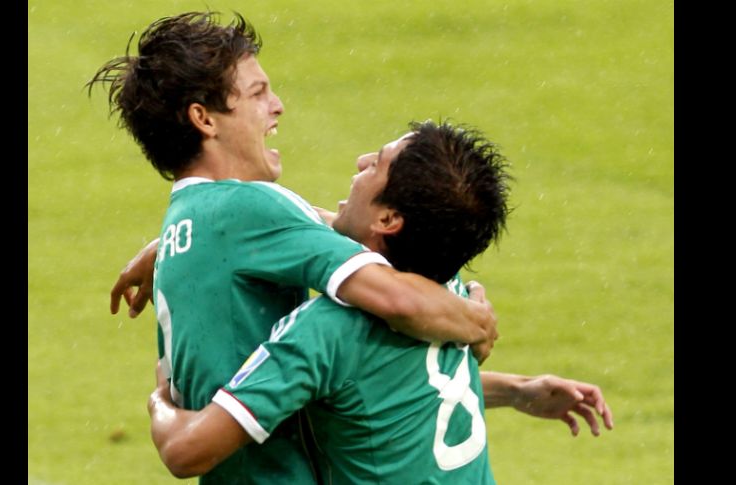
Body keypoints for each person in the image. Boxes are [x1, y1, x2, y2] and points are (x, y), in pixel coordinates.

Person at [88, 11, 498, 484]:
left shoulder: (195, 221)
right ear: (204, 119)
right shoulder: (252, 210)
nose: (277, 106)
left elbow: (311, 227)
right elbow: (397, 299)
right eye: (258, 93)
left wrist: (162, 246)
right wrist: (474, 323)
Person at [147, 121, 613, 483]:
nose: (361, 160)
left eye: (376, 165)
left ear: (388, 219)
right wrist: (518, 390)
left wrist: (161, 400)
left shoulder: (326, 333)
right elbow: (400, 397)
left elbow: (186, 452)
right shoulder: (447, 292)